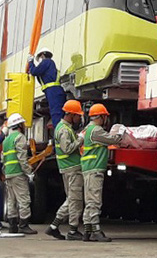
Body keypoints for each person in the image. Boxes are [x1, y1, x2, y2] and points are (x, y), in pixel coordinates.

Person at [79, 103, 120, 242]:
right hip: (94, 168)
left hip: (88, 169)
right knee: (95, 200)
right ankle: (95, 231)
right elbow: (112, 140)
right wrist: (121, 134)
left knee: (89, 200)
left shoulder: (87, 130)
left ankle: (87, 231)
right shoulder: (96, 130)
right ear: (101, 117)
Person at [45, 99, 85, 241]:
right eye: (78, 115)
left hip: (68, 168)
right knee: (75, 200)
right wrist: (80, 139)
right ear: (71, 115)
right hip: (72, 169)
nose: (79, 118)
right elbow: (67, 148)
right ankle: (72, 230)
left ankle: (54, 227)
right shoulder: (64, 129)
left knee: (72, 199)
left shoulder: (64, 128)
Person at [0, 113, 35, 235]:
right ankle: (24, 225)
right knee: (24, 199)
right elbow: (22, 157)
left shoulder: (6, 140)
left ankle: (12, 225)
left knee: (11, 200)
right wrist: (29, 171)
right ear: (19, 125)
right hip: (18, 173)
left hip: (9, 173)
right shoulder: (20, 137)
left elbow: (3, 159)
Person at [29, 47, 68, 128]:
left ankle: (59, 134)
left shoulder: (47, 62)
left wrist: (30, 62)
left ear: (42, 55)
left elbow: (34, 71)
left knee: (56, 115)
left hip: (53, 91)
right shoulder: (49, 64)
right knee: (58, 114)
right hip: (54, 91)